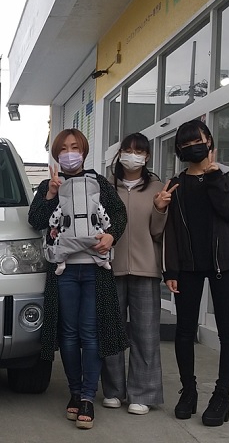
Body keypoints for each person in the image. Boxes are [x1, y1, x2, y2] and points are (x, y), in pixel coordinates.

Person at [28, 128, 127, 430]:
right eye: (63, 148)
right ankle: (74, 393)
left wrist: (111, 236)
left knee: (90, 333)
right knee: (69, 334)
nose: (69, 153)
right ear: (56, 154)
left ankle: (87, 397)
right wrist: (50, 194)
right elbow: (35, 220)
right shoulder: (49, 184)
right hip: (64, 271)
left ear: (83, 150)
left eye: (74, 147)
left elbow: (119, 215)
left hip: (95, 270)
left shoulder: (100, 183)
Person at [163, 119, 229, 427]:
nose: (193, 147)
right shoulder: (176, 183)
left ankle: (222, 396)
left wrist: (212, 177)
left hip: (225, 263)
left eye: (197, 141)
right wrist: (170, 270)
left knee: (228, 331)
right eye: (185, 144)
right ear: (179, 149)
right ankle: (188, 391)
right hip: (188, 266)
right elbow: (170, 230)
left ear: (209, 141)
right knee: (184, 330)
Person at [100, 133, 171, 415]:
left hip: (146, 269)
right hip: (110, 268)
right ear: (120, 154)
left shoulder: (158, 188)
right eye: (128, 150)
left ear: (147, 156)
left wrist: (160, 209)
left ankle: (143, 393)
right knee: (111, 332)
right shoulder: (105, 187)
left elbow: (158, 232)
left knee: (146, 334)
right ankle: (113, 390)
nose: (133, 155)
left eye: (139, 151)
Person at [44, 174, 114, 274]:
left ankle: (60, 263)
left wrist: (53, 227)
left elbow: (55, 216)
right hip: (92, 235)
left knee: (60, 246)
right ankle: (103, 260)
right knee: (99, 245)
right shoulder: (95, 201)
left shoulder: (64, 202)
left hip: (68, 237)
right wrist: (107, 227)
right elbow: (103, 215)